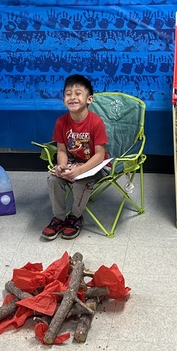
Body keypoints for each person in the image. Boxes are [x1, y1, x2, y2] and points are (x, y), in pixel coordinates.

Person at [42, 73, 108, 241]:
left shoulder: (96, 122)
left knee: (80, 183)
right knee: (53, 179)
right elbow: (62, 150)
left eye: (78, 93)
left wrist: (79, 171)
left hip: (96, 166)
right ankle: (59, 217)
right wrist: (62, 166)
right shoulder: (61, 122)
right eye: (68, 94)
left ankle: (76, 217)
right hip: (73, 163)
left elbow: (100, 155)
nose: (72, 97)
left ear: (89, 99)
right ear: (63, 100)